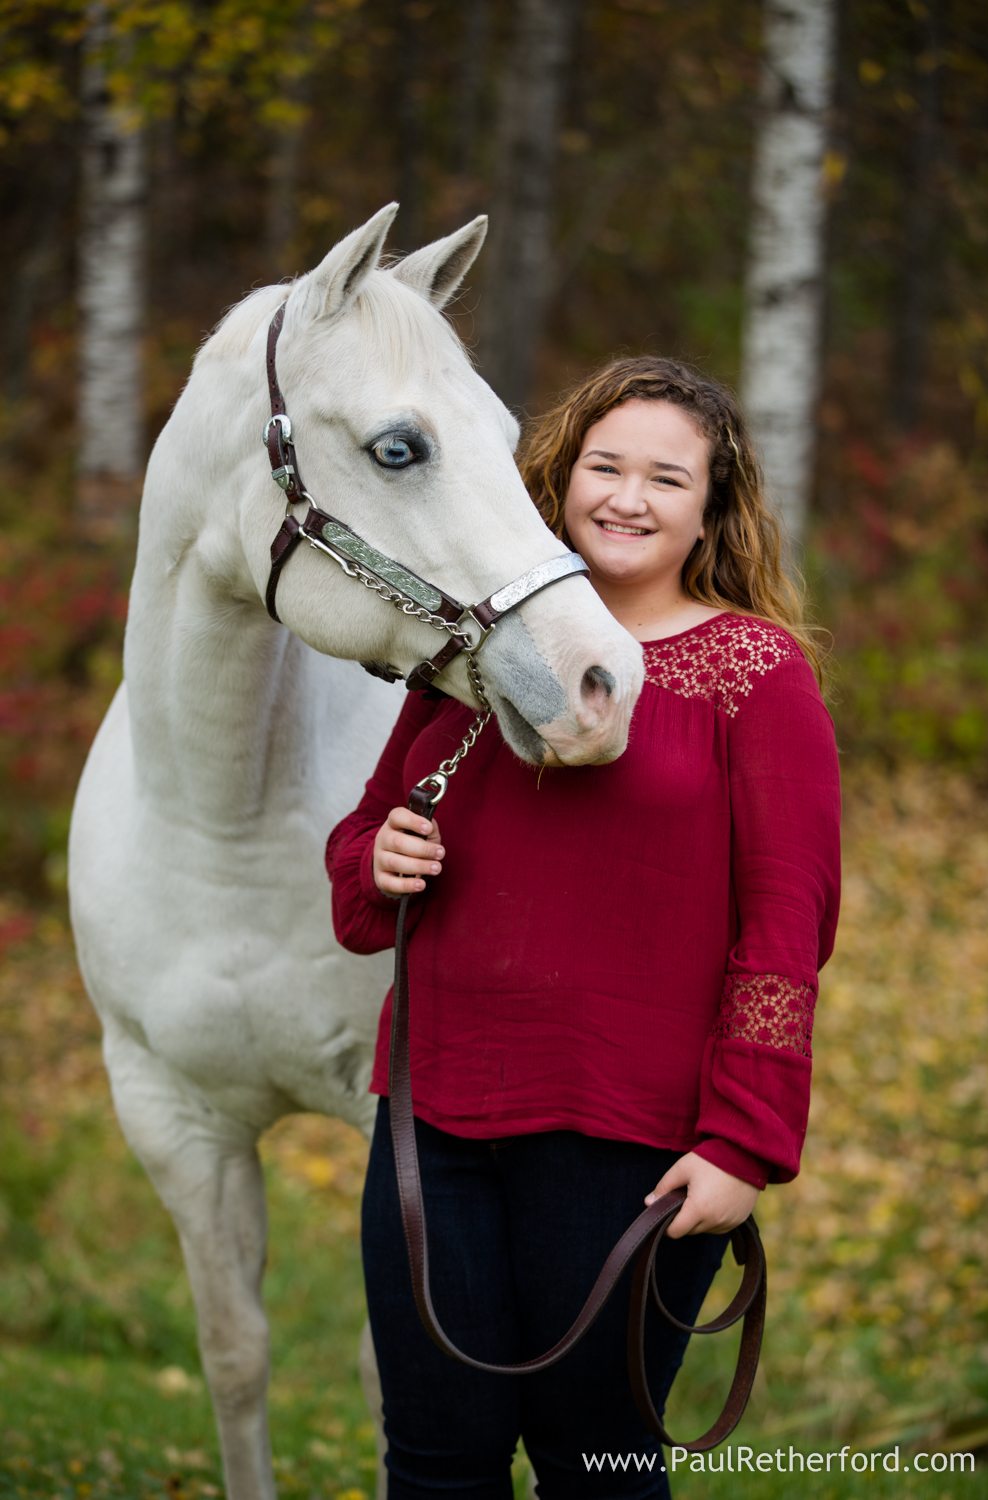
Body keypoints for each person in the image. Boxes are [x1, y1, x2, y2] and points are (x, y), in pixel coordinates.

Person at [326, 356, 841, 1498]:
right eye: (604, 466)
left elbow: (785, 929)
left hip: (638, 1146)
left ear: (711, 506)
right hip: (436, 1117)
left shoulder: (756, 675)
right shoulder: (471, 656)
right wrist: (385, 857)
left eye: (665, 477)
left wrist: (745, 1140)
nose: (626, 496)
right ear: (560, 481)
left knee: (594, 1465)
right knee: (434, 1459)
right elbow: (362, 867)